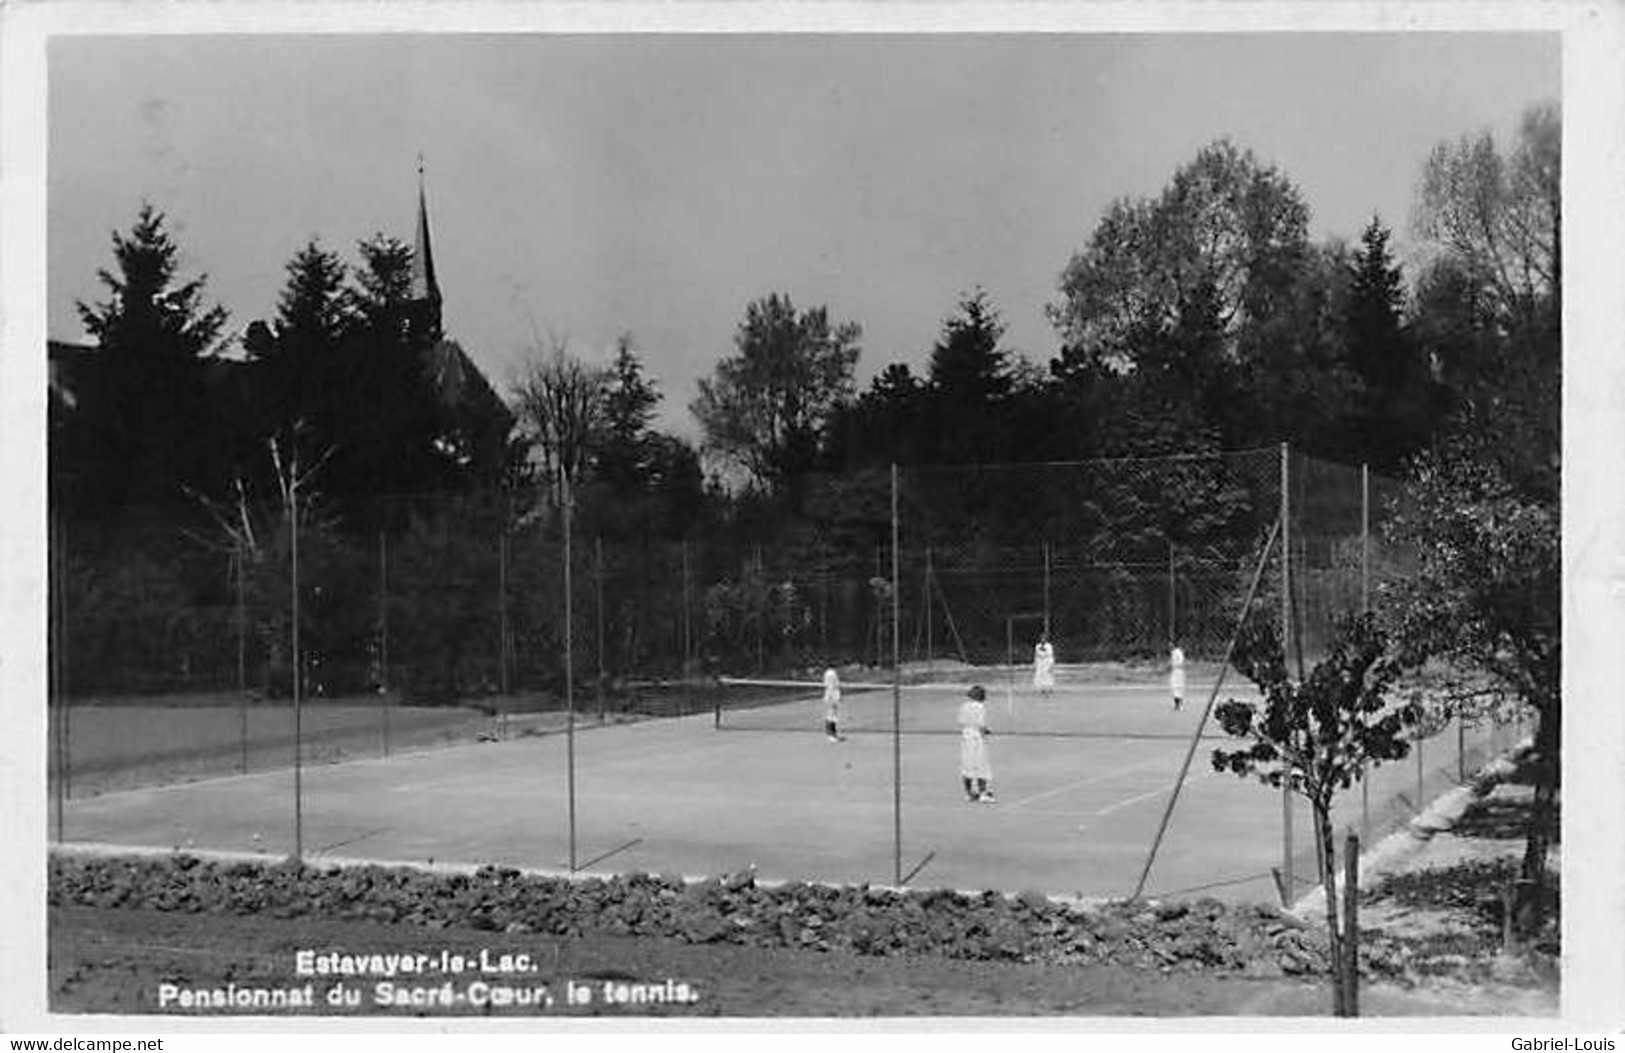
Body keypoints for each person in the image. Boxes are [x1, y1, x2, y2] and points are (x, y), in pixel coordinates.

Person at [957, 684, 995, 802]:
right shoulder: (980, 707)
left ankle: (969, 794)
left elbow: (960, 721)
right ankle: (983, 793)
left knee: (967, 764)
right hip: (976, 738)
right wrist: (987, 731)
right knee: (981, 764)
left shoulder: (964, 706)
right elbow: (981, 724)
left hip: (966, 737)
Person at [822, 666, 843, 742]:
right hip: (831, 697)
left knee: (833, 715)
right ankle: (830, 734)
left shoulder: (831, 673)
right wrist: (834, 697)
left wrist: (837, 697)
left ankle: (833, 734)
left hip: (832, 697)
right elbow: (831, 687)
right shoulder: (831, 673)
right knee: (831, 715)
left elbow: (835, 686)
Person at [1169, 645, 1186, 711]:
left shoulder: (1178, 652)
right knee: (1174, 688)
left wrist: (1175, 665)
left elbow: (1181, 662)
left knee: (1179, 688)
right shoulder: (1173, 652)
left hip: (1179, 672)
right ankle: (1176, 705)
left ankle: (1181, 705)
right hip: (1174, 671)